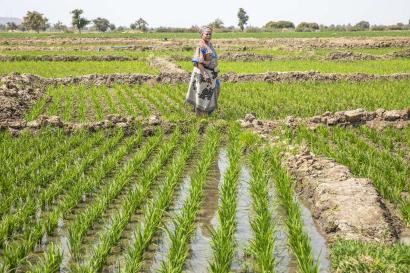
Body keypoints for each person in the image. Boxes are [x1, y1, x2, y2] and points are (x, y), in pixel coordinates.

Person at [185, 26, 220, 116]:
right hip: (204, 73)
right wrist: (205, 74)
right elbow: (198, 62)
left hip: (212, 74)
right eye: (206, 34)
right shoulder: (201, 46)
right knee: (202, 94)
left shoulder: (209, 44)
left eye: (210, 33)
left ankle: (207, 112)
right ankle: (200, 114)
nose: (208, 35)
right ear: (202, 35)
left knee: (214, 91)